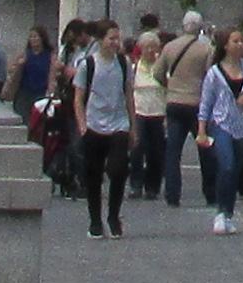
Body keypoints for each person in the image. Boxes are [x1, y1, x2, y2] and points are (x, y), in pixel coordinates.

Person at [73, 20, 136, 237]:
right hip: (94, 125)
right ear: (100, 40)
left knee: (118, 170)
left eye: (117, 38)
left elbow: (128, 94)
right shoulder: (87, 65)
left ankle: (113, 215)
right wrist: (83, 126)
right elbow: (78, 98)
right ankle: (95, 220)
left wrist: (133, 126)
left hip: (118, 123)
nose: (115, 42)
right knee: (93, 175)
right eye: (111, 38)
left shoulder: (124, 63)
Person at [198, 28, 243, 235]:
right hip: (221, 122)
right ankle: (220, 212)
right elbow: (206, 102)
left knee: (237, 170)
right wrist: (202, 130)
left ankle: (229, 212)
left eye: (241, 40)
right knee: (227, 166)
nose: (240, 44)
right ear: (226, 46)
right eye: (235, 41)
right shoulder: (214, 72)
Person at [157, 18, 213, 208]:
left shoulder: (170, 47)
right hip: (196, 102)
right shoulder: (206, 49)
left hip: (174, 101)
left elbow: (157, 72)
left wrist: (170, 86)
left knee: (173, 151)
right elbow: (209, 75)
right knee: (205, 149)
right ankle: (210, 192)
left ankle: (172, 194)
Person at [124, 19, 172, 207]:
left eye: (154, 48)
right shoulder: (134, 68)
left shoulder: (162, 69)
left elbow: (169, 91)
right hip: (139, 113)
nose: (151, 52)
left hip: (158, 113)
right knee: (137, 150)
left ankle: (153, 186)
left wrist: (168, 117)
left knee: (156, 152)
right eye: (147, 48)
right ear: (141, 49)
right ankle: (135, 185)